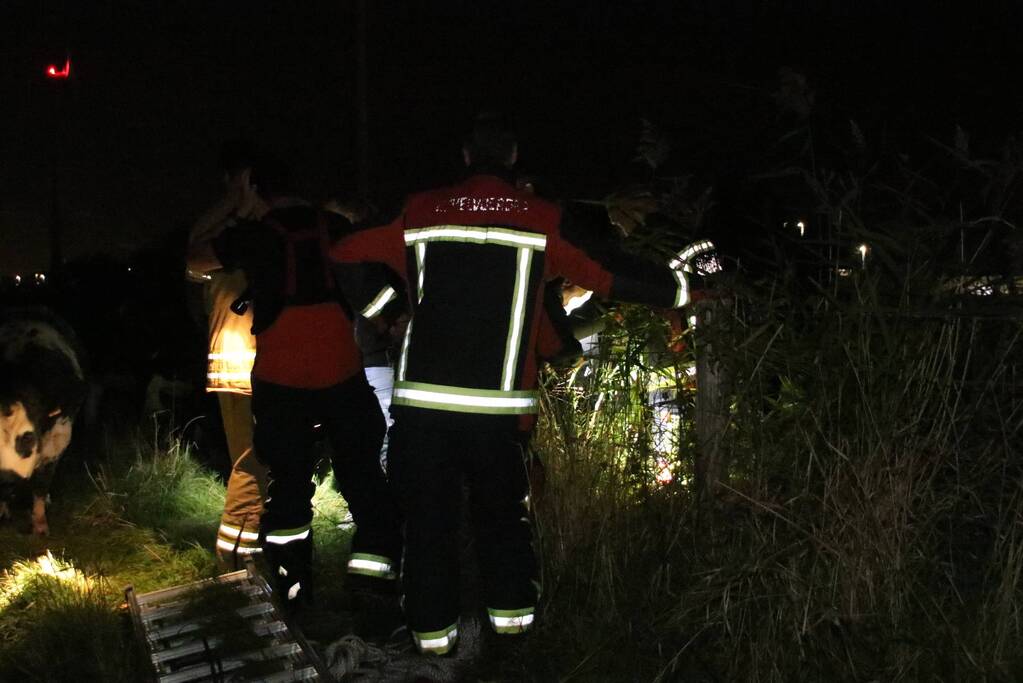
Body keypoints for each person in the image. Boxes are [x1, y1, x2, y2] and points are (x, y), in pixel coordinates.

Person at [330, 112, 701, 655]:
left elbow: (344, 251)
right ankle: (515, 637)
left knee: (428, 524)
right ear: (512, 158)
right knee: (502, 520)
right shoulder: (540, 217)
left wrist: (386, 311)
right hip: (499, 413)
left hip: (424, 409)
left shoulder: (419, 209)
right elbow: (608, 272)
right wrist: (685, 290)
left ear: (463, 157)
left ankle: (433, 641)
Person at [187, 151, 402, 612]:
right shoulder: (333, 227)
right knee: (363, 475)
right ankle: (373, 578)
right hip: (342, 372)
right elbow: (377, 292)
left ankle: (293, 588)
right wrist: (389, 319)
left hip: (279, 378)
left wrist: (230, 211)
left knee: (287, 485)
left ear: (257, 192)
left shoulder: (253, 234)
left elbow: (196, 259)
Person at [186, 140, 267, 570]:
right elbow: (196, 263)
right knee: (256, 461)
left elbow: (194, 269)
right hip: (251, 360)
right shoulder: (244, 225)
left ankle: (237, 552)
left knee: (249, 460)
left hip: (228, 358)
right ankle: (241, 557)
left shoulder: (211, 226)